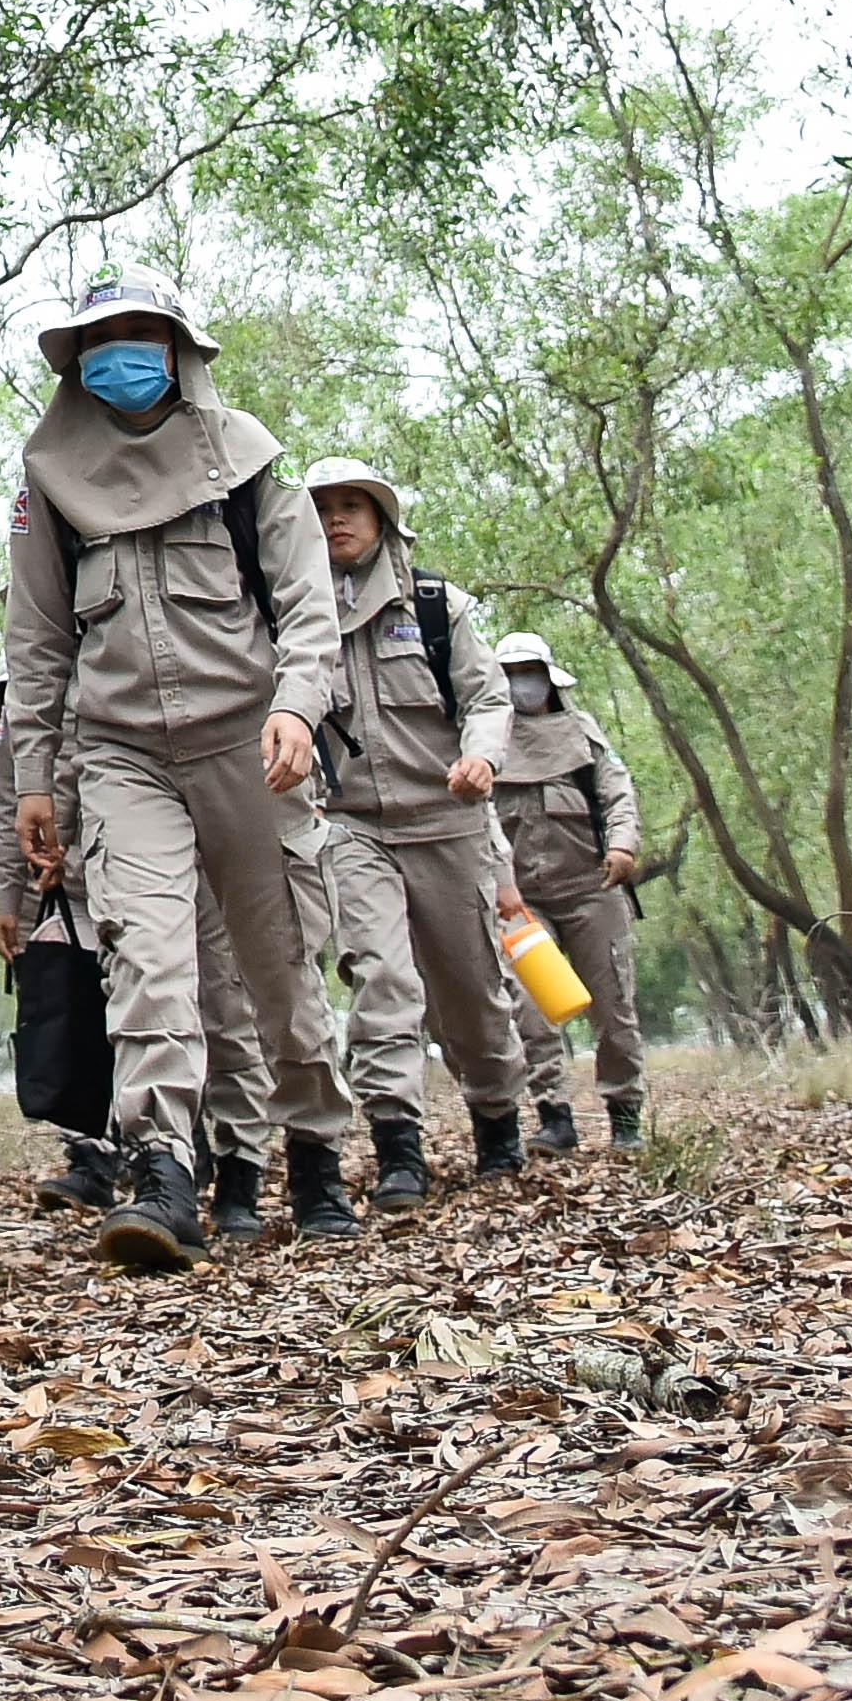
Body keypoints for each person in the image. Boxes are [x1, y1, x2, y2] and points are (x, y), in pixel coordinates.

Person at [1, 272, 361, 1266]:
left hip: (249, 743)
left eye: (140, 333)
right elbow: (36, 645)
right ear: (76, 363)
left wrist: (296, 702)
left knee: (277, 961)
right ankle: (162, 1167)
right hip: (120, 753)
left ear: (178, 348)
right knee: (146, 959)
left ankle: (316, 1152)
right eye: (100, 338)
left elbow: (305, 605)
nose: (121, 352)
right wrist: (36, 777)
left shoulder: (247, 463)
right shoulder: (49, 486)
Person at [300, 464, 527, 1198]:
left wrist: (480, 757)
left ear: (381, 517)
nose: (337, 520)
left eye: (350, 506)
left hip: (448, 821)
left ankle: (497, 1122)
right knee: (381, 979)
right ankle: (398, 1144)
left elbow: (487, 697)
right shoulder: (288, 613)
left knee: (470, 992)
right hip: (349, 826)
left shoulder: (435, 605)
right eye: (322, 509)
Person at [0, 678, 114, 1215]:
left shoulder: (99, 678)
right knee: (67, 1022)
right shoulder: (0, 721)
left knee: (139, 1012)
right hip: (43, 902)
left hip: (121, 878)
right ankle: (90, 1158)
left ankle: (173, 1145)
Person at [486, 628, 645, 1153]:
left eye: (528, 674)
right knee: (531, 1009)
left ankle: (625, 1115)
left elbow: (617, 793)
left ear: (549, 678)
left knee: (613, 1007)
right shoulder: (484, 741)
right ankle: (554, 1114)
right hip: (520, 900)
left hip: (591, 890)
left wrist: (622, 847)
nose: (521, 685)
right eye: (510, 675)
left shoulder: (582, 732)